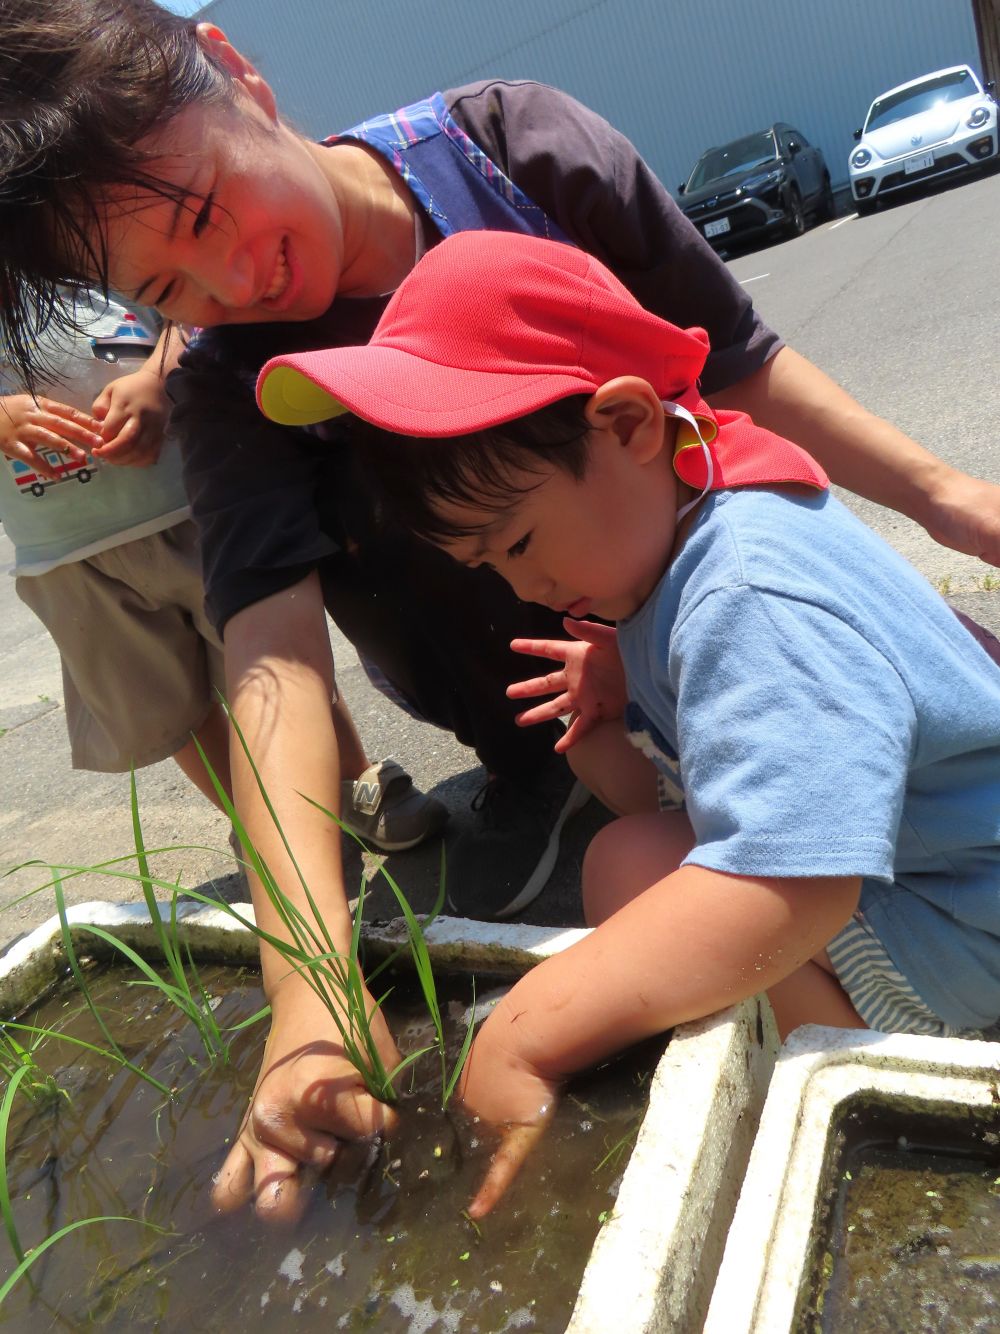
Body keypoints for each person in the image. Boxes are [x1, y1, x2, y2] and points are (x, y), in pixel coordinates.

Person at [3, 0, 1000, 1223]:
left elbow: (731, 359)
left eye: (205, 210)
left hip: (932, 879)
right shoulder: (246, 392)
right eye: (167, 289)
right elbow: (273, 667)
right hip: (614, 716)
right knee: (632, 854)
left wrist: (953, 501)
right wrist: (308, 983)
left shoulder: (519, 165)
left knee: (676, 905)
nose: (232, 281)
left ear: (234, 71)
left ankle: (857, 1105)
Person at [257, 228, 1000, 1218]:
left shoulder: (745, 592)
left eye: (518, 539)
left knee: (651, 886)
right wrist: (613, 704)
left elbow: (795, 878)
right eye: (488, 564)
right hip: (912, 867)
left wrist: (530, 1028)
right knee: (625, 858)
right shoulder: (688, 521)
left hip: (965, 915)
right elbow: (671, 797)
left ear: (628, 424)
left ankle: (889, 1115)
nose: (522, 584)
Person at [0, 291, 443, 853]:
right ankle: (265, 830)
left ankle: (353, 784)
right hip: (67, 557)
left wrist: (158, 377)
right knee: (172, 705)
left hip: (197, 506)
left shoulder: (74, 245)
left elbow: (185, 309)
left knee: (274, 658)